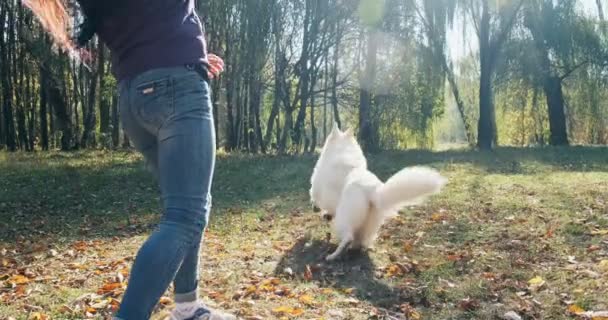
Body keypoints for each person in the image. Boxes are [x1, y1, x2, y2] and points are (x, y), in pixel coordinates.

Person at [24, 0, 233, 319]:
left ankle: (187, 306)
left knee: (187, 209)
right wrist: (182, 57)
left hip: (135, 98)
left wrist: (190, 53)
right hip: (176, 89)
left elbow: (145, 23)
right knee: (185, 216)